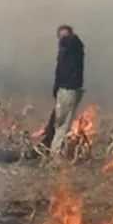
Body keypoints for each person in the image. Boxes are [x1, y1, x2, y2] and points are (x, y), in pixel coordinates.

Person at [48, 24, 85, 159]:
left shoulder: (72, 46)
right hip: (65, 90)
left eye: (63, 36)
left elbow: (71, 41)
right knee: (60, 124)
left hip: (68, 90)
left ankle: (55, 155)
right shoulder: (66, 51)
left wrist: (66, 37)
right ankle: (54, 154)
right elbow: (59, 72)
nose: (61, 40)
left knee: (62, 125)